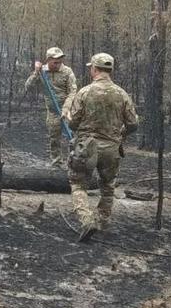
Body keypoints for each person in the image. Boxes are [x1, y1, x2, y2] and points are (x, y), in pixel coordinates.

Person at [65, 52, 138, 242]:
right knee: (107, 187)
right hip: (111, 148)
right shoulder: (122, 94)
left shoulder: (85, 92)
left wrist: (68, 117)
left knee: (78, 184)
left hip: (86, 147)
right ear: (110, 70)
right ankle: (101, 221)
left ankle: (87, 220)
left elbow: (73, 124)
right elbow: (133, 124)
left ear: (95, 69)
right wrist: (119, 134)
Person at [24, 47, 77, 167]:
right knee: (54, 139)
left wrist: (66, 109)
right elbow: (28, 87)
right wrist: (36, 73)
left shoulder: (67, 72)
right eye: (55, 62)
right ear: (48, 60)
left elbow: (72, 92)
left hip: (69, 110)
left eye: (60, 61)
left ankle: (74, 163)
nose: (58, 64)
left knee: (72, 137)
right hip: (53, 112)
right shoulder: (42, 72)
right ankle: (56, 163)